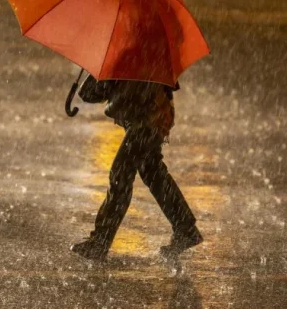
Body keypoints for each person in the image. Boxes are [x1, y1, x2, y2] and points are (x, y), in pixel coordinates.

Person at [70, 74, 203, 260]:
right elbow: (92, 94)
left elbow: (99, 92)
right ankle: (185, 228)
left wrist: (98, 75)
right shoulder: (133, 57)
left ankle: (100, 242)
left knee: (121, 176)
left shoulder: (136, 57)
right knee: (152, 173)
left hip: (147, 121)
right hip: (151, 119)